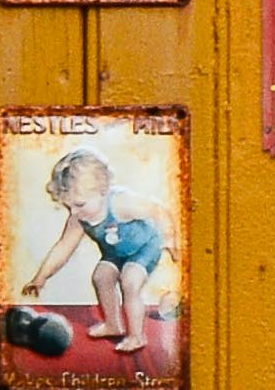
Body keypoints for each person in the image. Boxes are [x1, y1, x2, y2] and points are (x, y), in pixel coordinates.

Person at [8, 145, 163, 353]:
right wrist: (41, 278)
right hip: (116, 253)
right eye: (69, 206)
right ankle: (113, 324)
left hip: (144, 247)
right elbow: (63, 247)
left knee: (130, 280)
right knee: (101, 277)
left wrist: (172, 239)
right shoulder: (79, 218)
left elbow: (157, 209)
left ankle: (136, 336)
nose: (74, 212)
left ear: (102, 191)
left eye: (79, 204)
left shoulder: (121, 203)